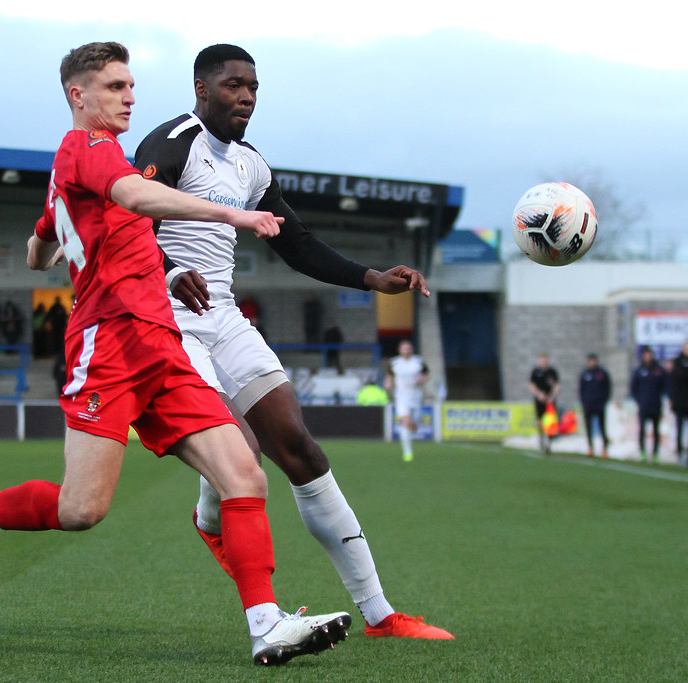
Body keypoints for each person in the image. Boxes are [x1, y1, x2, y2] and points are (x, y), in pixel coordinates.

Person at [0, 42, 350, 667]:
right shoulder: (83, 150)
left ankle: (266, 623)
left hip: (162, 346)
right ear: (78, 96)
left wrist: (61, 240)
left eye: (131, 85)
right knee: (81, 509)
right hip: (108, 344)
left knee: (243, 474)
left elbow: (37, 249)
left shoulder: (91, 165)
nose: (130, 97)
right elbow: (139, 200)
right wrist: (234, 215)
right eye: (116, 86)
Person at [133, 43, 451, 640]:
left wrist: (371, 278)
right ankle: (243, 575)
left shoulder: (251, 164)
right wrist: (172, 268)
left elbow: (297, 243)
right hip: (168, 319)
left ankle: (381, 615)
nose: (246, 96)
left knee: (301, 449)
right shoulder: (171, 144)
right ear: (201, 88)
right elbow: (128, 223)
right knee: (241, 452)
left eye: (253, 86)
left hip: (223, 317)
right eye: (233, 85)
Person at [384, 340, 429, 462]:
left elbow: (426, 374)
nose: (406, 351)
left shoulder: (418, 362)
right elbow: (390, 375)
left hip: (416, 396)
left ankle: (412, 427)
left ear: (412, 350)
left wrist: (422, 380)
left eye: (408, 348)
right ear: (400, 350)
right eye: (404, 348)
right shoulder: (394, 363)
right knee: (406, 421)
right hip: (401, 396)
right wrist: (388, 383)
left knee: (413, 425)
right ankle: (407, 452)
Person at [630, 346, 668, 462]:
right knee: (642, 429)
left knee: (656, 430)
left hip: (656, 404)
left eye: (649, 354)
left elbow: (665, 386)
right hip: (643, 405)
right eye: (646, 354)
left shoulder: (659, 370)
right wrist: (639, 400)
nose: (648, 357)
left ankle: (655, 453)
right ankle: (642, 452)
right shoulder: (639, 370)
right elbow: (633, 388)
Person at [578, 353, 611, 458]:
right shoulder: (585, 374)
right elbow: (581, 390)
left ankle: (604, 449)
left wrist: (604, 401)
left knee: (602, 427)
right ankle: (590, 448)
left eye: (593, 361)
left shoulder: (602, 373)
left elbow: (608, 388)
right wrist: (583, 402)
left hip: (600, 404)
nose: (592, 363)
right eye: (590, 361)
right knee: (589, 428)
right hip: (588, 405)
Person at [528, 352, 560, 454]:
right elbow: (531, 385)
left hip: (550, 400)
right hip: (540, 399)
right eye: (541, 360)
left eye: (545, 360)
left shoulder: (552, 372)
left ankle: (549, 444)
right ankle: (541, 440)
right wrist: (538, 394)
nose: (543, 362)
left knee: (550, 422)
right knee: (540, 421)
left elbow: (556, 385)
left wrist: (552, 396)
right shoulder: (536, 372)